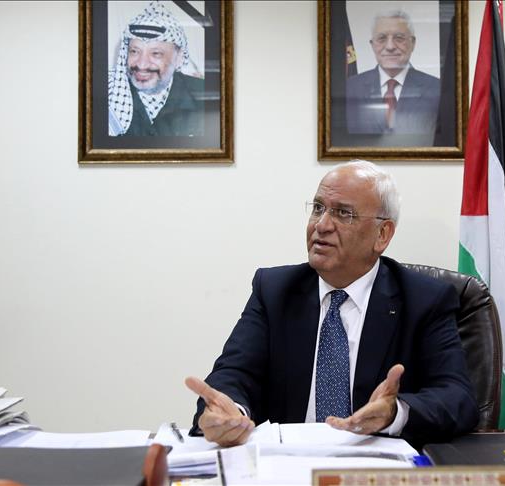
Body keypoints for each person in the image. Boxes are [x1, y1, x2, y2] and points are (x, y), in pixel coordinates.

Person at [185, 161, 478, 448]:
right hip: (289, 464)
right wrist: (228, 414)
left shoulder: (424, 299)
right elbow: (235, 374)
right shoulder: (275, 291)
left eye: (343, 213)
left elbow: (457, 398)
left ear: (382, 234)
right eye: (318, 208)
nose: (321, 225)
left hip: (374, 466)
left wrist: (395, 413)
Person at [108, 1, 203, 137]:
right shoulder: (110, 93)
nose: (142, 64)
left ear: (179, 58)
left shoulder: (204, 93)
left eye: (156, 53)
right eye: (134, 51)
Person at [345, 10, 441, 136]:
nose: (390, 46)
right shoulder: (349, 88)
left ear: (413, 43)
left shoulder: (437, 89)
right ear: (372, 45)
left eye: (399, 38)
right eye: (382, 38)